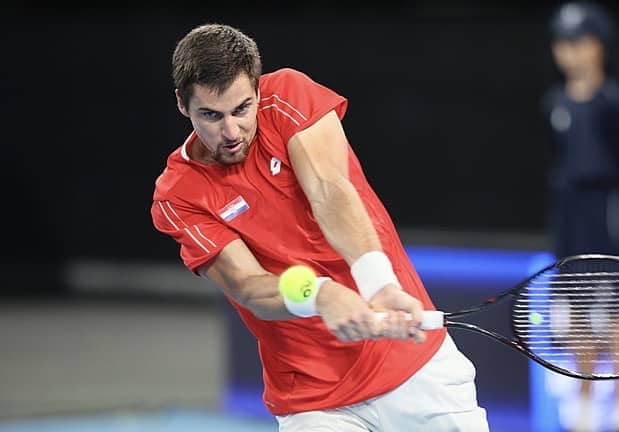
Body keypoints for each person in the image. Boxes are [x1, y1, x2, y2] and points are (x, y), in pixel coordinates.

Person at [150, 24, 488, 431]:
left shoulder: (288, 95)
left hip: (415, 369)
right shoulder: (178, 195)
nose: (231, 131)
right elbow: (248, 285)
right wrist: (320, 294)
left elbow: (329, 190)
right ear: (182, 106)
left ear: (258, 91)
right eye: (211, 115)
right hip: (314, 403)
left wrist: (377, 283)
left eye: (242, 109)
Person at [541, 3, 619, 432]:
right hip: (570, 219)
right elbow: (559, 162)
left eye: (580, 42)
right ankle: (584, 408)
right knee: (577, 307)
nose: (571, 53)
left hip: (610, 216)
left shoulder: (615, 103)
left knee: (617, 313)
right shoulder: (554, 103)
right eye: (563, 44)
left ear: (600, 47)